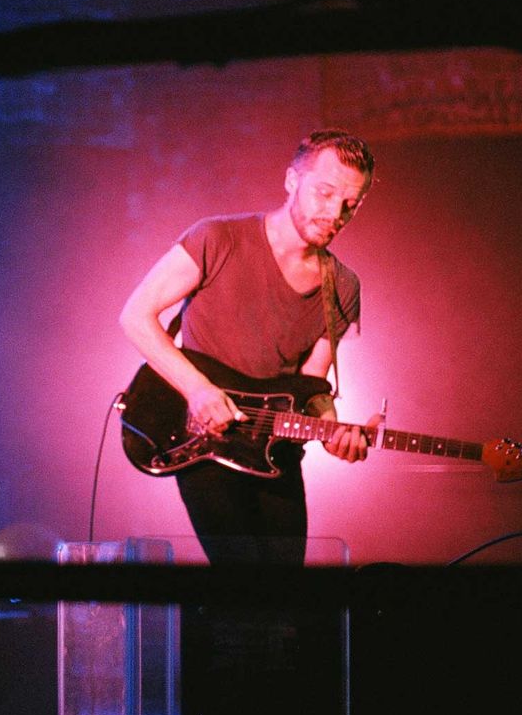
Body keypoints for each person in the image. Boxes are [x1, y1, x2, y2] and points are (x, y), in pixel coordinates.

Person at [119, 129, 377, 566]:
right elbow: (135, 316)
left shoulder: (344, 286)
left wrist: (333, 433)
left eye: (351, 203)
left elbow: (311, 384)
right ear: (292, 180)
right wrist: (199, 390)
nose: (336, 213)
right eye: (325, 193)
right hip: (205, 439)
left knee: (286, 591)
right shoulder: (216, 238)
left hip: (277, 451)